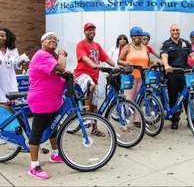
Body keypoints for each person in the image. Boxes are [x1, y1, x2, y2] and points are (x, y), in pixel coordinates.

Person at [26, 32, 68, 179]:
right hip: (42, 100)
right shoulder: (41, 55)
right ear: (41, 42)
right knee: (37, 132)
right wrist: (61, 53)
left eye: (56, 39)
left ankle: (55, 154)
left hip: (52, 101)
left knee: (53, 127)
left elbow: (57, 72)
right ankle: (34, 166)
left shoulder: (50, 57)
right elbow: (61, 67)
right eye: (49, 39)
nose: (54, 40)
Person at [74, 22, 116, 137]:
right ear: (85, 32)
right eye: (89, 30)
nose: (91, 31)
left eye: (93, 29)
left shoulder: (97, 45)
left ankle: (94, 129)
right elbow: (84, 57)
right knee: (90, 86)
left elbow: (106, 58)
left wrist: (116, 66)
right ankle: (86, 115)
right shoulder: (81, 44)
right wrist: (94, 64)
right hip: (81, 74)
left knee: (95, 104)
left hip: (94, 76)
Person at [160, 24, 194, 130]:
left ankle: (191, 120)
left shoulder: (185, 43)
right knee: (173, 97)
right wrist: (166, 65)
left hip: (184, 74)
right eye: (173, 30)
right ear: (170, 32)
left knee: (187, 98)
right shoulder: (166, 44)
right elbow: (164, 56)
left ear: (179, 31)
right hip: (172, 74)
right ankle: (174, 120)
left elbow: (192, 54)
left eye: (177, 30)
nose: (175, 32)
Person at [117, 27, 150, 127]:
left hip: (142, 77)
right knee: (129, 98)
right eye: (135, 36)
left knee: (139, 99)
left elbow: (148, 61)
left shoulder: (145, 48)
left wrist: (153, 63)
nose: (138, 38)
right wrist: (125, 62)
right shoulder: (127, 47)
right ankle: (124, 119)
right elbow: (119, 60)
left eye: (139, 35)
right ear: (131, 37)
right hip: (131, 77)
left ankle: (137, 119)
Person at [0, 28, 25, 103]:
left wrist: (20, 62)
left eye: (2, 36)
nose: (0, 38)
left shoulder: (13, 50)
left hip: (10, 82)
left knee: (10, 108)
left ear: (7, 37)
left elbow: (15, 65)